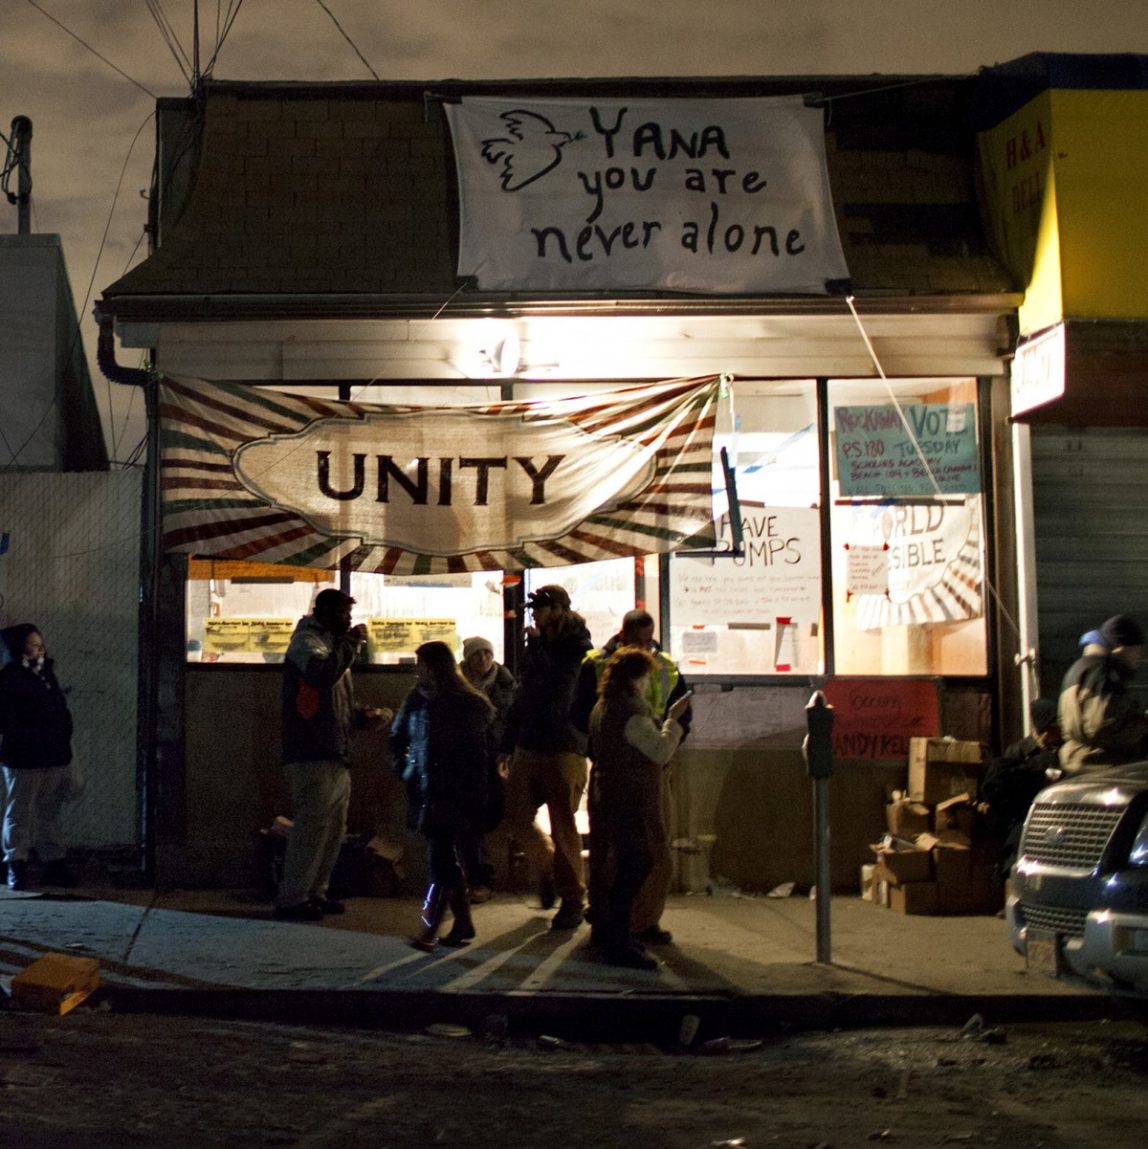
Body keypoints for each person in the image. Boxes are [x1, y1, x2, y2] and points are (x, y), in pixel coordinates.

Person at [573, 608, 691, 947]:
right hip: (635, 783)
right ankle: (621, 930)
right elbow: (660, 748)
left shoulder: (655, 671)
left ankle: (622, 925)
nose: (646, 646)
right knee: (638, 858)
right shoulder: (602, 675)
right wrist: (671, 722)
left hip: (614, 780)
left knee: (619, 856)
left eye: (649, 639)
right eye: (638, 640)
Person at [277, 589, 389, 921]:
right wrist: (351, 644)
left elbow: (330, 701)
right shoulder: (306, 643)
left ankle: (315, 892)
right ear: (324, 612)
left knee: (333, 828)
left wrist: (361, 718)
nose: (349, 622)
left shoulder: (329, 647)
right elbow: (321, 677)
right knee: (313, 827)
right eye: (343, 615)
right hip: (311, 751)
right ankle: (293, 898)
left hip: (334, 751)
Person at [390, 641, 498, 951]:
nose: (416, 670)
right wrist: (407, 770)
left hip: (454, 793)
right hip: (428, 791)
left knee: (442, 861)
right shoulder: (419, 699)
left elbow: (478, 758)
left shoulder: (464, 704)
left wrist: (477, 799)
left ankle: (431, 929)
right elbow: (398, 737)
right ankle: (461, 924)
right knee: (445, 861)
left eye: (421, 663)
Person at [501, 584, 594, 931]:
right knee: (516, 814)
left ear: (559, 609)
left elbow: (559, 691)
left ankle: (572, 898)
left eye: (540, 607)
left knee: (563, 823)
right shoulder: (537, 647)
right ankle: (549, 868)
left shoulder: (578, 646)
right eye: (533, 608)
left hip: (564, 744)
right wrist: (507, 743)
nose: (534, 613)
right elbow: (523, 695)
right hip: (529, 743)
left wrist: (538, 646)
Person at [0, 624, 77, 891]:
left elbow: (59, 708)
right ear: (19, 648)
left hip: (50, 752)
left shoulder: (45, 673)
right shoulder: (10, 677)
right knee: (20, 811)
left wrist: (62, 733)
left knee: (48, 810)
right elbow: (7, 718)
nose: (37, 650)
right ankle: (16, 865)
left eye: (39, 645)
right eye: (31, 645)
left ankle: (52, 863)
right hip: (25, 754)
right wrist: (32, 736)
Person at [459, 635, 516, 901]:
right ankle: (479, 878)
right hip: (467, 760)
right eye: (476, 654)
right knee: (470, 821)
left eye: (486, 653)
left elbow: (513, 720)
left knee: (499, 814)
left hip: (498, 759)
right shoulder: (457, 684)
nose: (482, 659)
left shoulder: (506, 684)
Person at [1058, 613, 1148, 775]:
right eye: (1137, 651)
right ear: (1121, 648)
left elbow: (1065, 725)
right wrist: (1143, 725)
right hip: (1104, 768)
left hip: (1076, 765)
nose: (1140, 658)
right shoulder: (1104, 673)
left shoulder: (1078, 669)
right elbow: (1100, 727)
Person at [981, 699, 1062, 874]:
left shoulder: (1062, 751)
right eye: (1056, 725)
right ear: (1046, 728)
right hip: (1024, 817)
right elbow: (1004, 787)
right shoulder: (1018, 752)